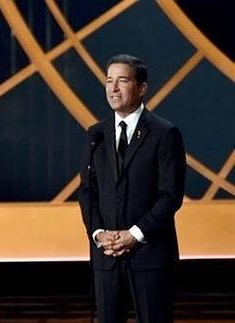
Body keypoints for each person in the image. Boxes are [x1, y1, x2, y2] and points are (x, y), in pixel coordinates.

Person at [79, 54, 186, 323]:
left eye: (122, 80)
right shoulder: (96, 134)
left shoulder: (164, 133)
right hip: (106, 258)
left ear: (142, 87)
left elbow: (170, 195)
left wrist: (134, 235)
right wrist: (99, 233)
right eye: (108, 81)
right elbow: (87, 192)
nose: (113, 88)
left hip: (149, 257)